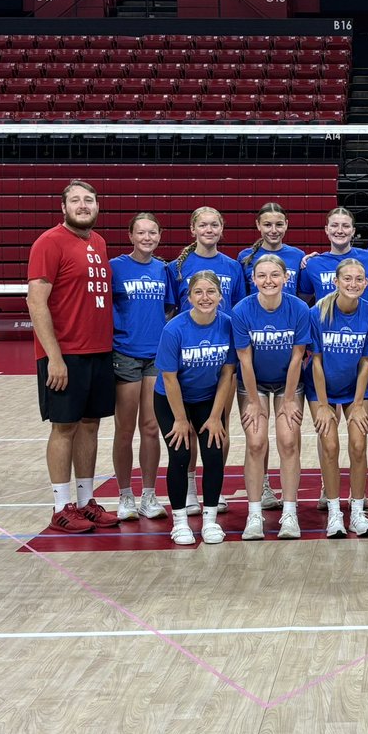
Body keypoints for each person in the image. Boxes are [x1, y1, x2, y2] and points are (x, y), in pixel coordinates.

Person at [27, 179, 120, 533]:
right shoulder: (49, 242)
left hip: (99, 352)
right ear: (63, 207)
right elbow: (36, 302)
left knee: (91, 425)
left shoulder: (98, 242)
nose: (83, 205)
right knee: (64, 427)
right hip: (66, 355)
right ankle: (61, 506)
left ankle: (85, 501)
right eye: (76, 200)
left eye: (89, 200)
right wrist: (54, 357)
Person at [168, 206, 247, 515]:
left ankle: (215, 488)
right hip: (190, 356)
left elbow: (238, 311)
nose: (209, 229)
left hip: (222, 355)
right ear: (193, 229)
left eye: (215, 224)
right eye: (203, 225)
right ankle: (188, 488)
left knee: (219, 425)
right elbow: (173, 311)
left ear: (222, 228)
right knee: (186, 427)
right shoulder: (177, 266)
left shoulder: (233, 266)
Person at [153, 271, 238, 546]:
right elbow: (169, 377)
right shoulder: (174, 329)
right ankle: (179, 522)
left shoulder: (227, 325)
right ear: (188, 297)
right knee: (180, 453)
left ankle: (210, 520)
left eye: (211, 292)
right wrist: (180, 419)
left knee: (213, 454)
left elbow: (227, 374)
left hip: (207, 399)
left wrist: (216, 417)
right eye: (198, 292)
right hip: (172, 399)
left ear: (220, 295)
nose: (205, 297)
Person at [232, 254, 311, 541]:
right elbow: (245, 360)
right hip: (253, 384)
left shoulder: (299, 309)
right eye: (262, 275)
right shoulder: (242, 311)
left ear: (285, 278)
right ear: (253, 280)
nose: (268, 280)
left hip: (287, 384)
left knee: (288, 441)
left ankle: (289, 512)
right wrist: (253, 400)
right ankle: (255, 514)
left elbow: (297, 356)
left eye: (274, 275)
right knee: (255, 442)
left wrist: (289, 398)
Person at [306, 258, 368, 537]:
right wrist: (324, 406)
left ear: (366, 284)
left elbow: (367, 362)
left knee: (358, 444)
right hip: (322, 388)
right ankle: (335, 512)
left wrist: (361, 404)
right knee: (329, 444)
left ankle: (358, 511)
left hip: (354, 387)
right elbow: (315, 361)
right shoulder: (318, 313)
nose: (353, 284)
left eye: (359, 279)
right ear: (336, 282)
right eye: (347, 279)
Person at [109, 212, 174, 522]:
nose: (147, 238)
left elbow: (169, 308)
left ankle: (149, 494)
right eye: (141, 233)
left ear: (159, 236)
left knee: (151, 427)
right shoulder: (116, 267)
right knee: (124, 428)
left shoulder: (164, 270)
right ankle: (125, 494)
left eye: (152, 233)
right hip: (125, 355)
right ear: (131, 236)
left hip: (155, 357)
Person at [298, 207, 368, 305]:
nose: (340, 231)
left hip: (363, 319)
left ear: (353, 231)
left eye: (345, 226)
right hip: (326, 320)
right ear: (327, 230)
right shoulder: (312, 264)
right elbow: (302, 301)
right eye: (334, 225)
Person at [238, 202, 305, 297]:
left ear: (286, 224)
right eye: (267, 225)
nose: (274, 230)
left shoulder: (298, 255)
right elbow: (241, 295)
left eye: (279, 224)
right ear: (258, 225)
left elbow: (304, 294)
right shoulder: (245, 256)